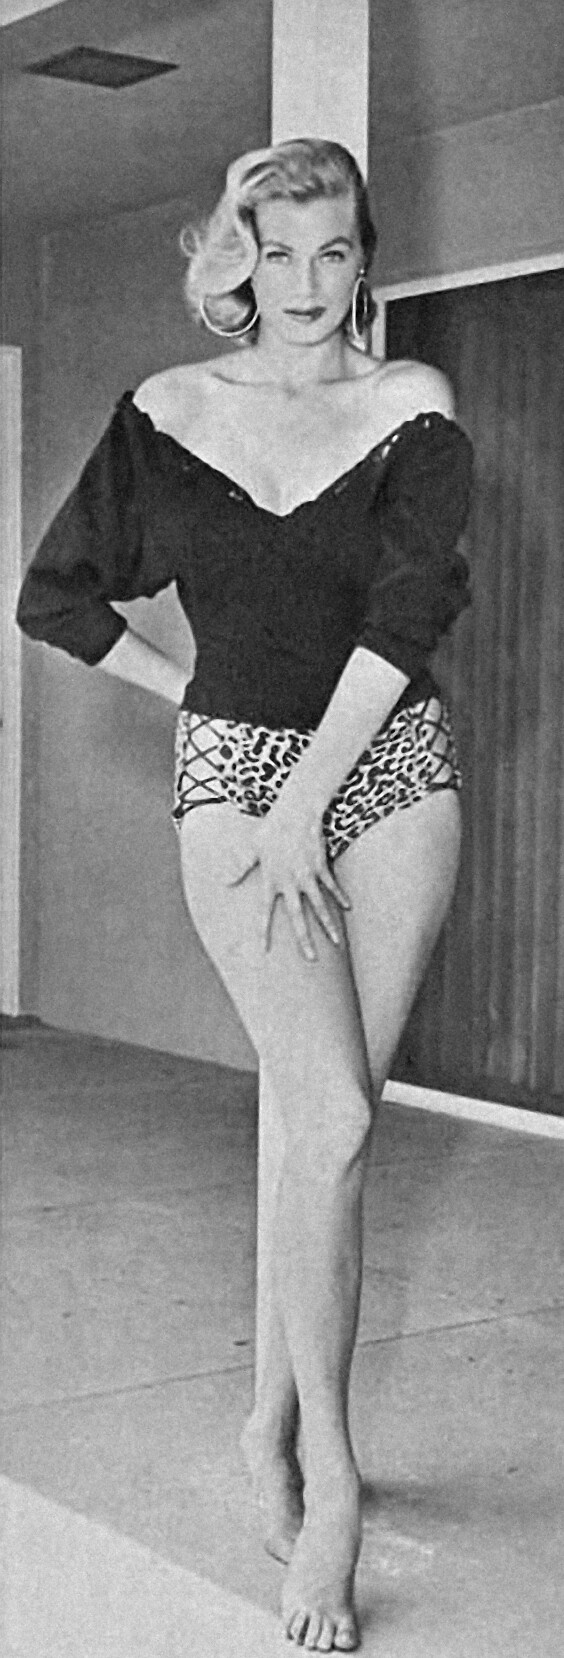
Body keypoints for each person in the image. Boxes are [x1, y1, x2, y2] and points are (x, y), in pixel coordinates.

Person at [16, 139, 473, 1652]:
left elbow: (408, 614)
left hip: (391, 766)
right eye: (277, 251)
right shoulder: (168, 412)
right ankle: (330, 1486)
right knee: (325, 1118)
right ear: (242, 261)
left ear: (365, 260)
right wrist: (204, 715)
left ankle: (271, 1422)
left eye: (333, 250)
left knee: (327, 1126)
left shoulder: (408, 408)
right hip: (239, 781)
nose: (305, 281)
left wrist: (308, 800)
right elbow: (54, 595)